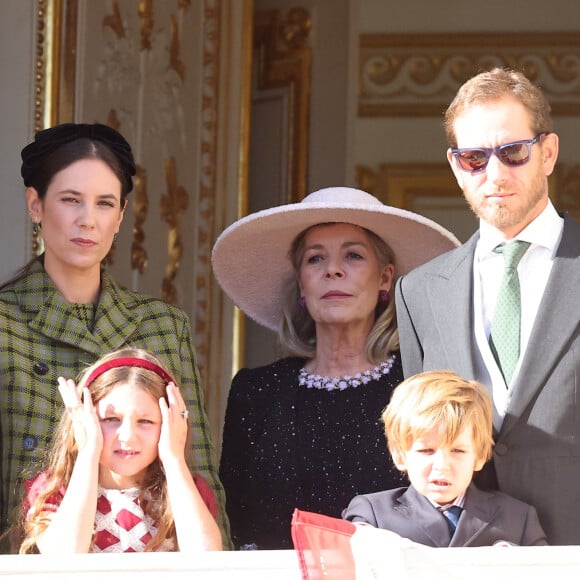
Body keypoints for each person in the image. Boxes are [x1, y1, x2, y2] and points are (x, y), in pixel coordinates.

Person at [0, 123, 229, 549]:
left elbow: (197, 467)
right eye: (71, 200)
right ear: (35, 204)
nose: (88, 220)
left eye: (105, 204)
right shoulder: (5, 322)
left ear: (121, 216)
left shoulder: (162, 324)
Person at [211, 186, 459, 549]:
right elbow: (234, 520)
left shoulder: (420, 386)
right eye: (315, 259)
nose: (333, 270)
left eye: (354, 256)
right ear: (301, 282)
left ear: (385, 278)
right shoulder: (256, 391)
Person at [395, 67, 580, 545]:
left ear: (549, 153)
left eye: (513, 152)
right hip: (462, 554)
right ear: (457, 167)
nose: (494, 174)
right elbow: (422, 431)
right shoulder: (421, 291)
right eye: (475, 158)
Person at [14, 348, 223, 553]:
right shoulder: (55, 490)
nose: (128, 436)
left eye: (146, 421)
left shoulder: (184, 489)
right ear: (84, 420)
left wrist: (173, 458)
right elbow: (66, 554)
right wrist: (88, 452)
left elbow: (207, 556)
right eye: (111, 419)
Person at [344, 370, 548, 547]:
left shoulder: (517, 518)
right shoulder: (373, 514)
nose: (442, 466)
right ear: (399, 455)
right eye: (427, 451)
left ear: (479, 455)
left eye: (458, 451)